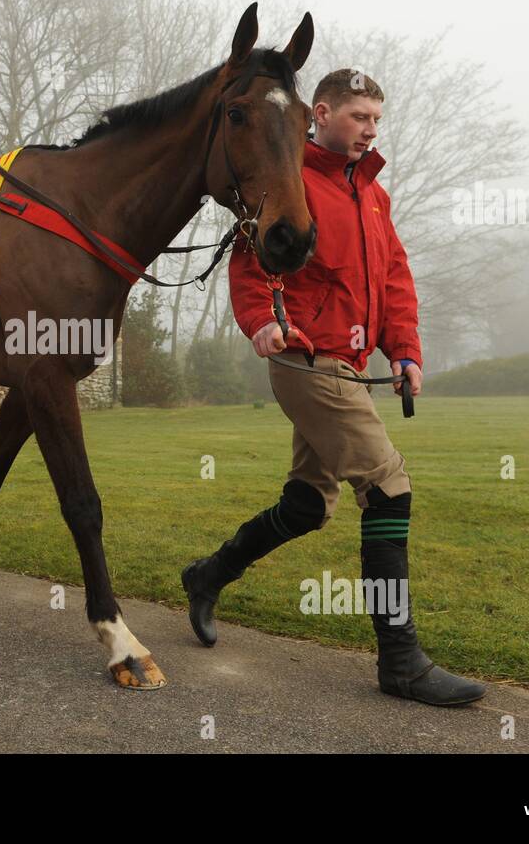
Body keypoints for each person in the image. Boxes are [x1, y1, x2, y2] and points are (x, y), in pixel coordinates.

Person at [181, 68, 486, 706]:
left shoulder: (374, 195)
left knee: (307, 505)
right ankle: (399, 660)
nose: (370, 130)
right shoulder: (291, 181)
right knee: (387, 486)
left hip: (351, 368)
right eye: (359, 118)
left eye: (376, 119)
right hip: (308, 363)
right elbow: (248, 256)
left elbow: (395, 276)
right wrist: (262, 320)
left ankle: (207, 574)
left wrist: (404, 350)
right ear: (321, 114)